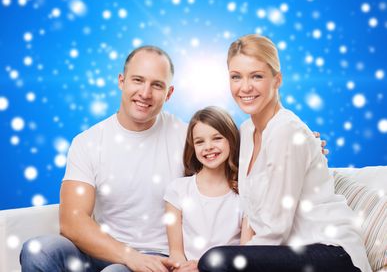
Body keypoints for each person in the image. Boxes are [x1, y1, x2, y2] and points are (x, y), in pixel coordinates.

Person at [198, 34, 371, 272]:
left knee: (215, 261)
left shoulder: (287, 131)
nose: (245, 87)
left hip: (332, 252)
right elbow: (251, 213)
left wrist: (232, 262)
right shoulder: (247, 132)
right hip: (290, 252)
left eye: (256, 76)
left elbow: (274, 230)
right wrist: (241, 252)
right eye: (236, 77)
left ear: (277, 79)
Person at [20, 46, 186, 272]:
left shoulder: (187, 137)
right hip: (105, 251)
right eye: (137, 80)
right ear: (121, 81)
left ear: (169, 93)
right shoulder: (88, 142)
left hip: (160, 259)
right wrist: (129, 256)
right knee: (38, 249)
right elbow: (71, 221)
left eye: (157, 85)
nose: (145, 93)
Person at [164, 107, 243, 272]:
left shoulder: (244, 192)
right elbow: (176, 252)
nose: (208, 147)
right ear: (193, 147)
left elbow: (245, 254)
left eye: (217, 138)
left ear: (231, 140)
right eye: (200, 141)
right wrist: (182, 268)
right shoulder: (178, 190)